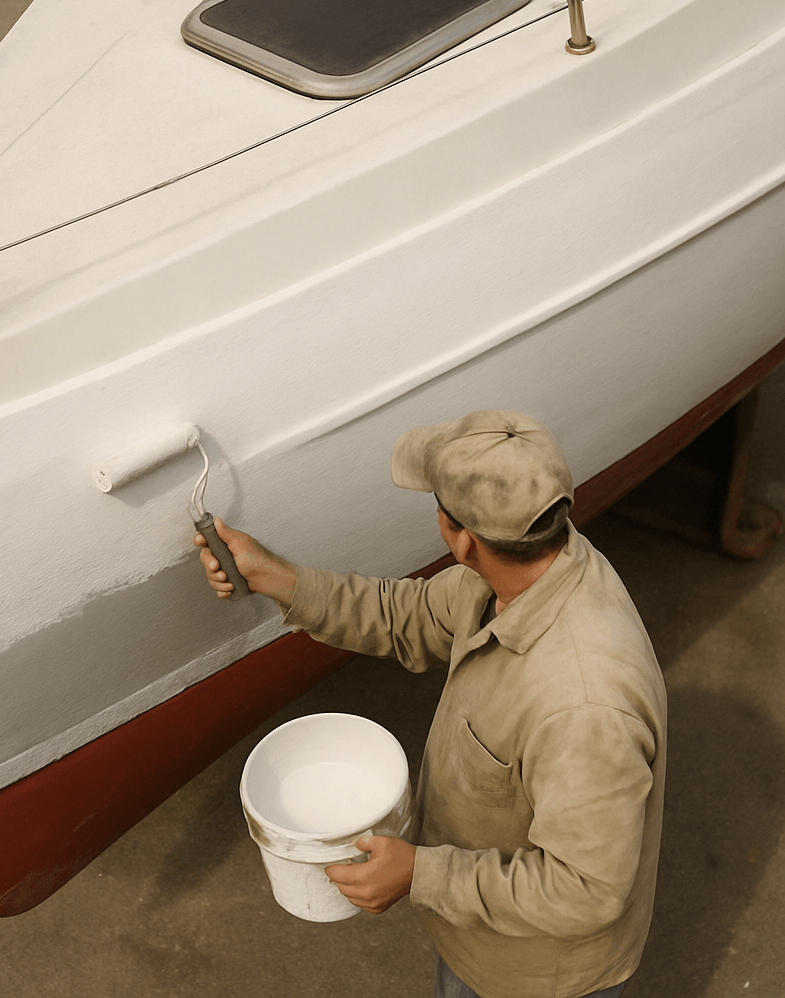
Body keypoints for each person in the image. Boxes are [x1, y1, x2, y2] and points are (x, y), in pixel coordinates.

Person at [195, 409, 666, 998]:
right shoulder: (524, 564)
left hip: (536, 977)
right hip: (480, 939)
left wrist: (422, 873)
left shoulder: (584, 709)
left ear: (462, 537)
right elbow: (406, 615)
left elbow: (586, 890)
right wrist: (277, 577)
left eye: (436, 507)